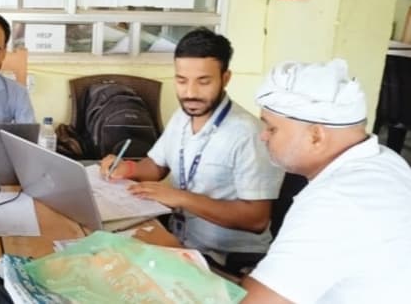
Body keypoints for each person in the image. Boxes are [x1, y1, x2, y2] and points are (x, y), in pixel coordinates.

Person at [99, 28, 283, 271]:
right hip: (182, 242)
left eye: (203, 81)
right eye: (181, 80)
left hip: (228, 260)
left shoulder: (248, 134)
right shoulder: (182, 117)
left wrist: (182, 198)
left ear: (225, 78)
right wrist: (128, 168)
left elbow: (256, 219)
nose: (190, 93)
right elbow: (156, 165)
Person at [242, 59, 411, 303]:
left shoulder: (335, 201)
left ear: (316, 136)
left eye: (272, 129)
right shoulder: (386, 159)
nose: (263, 136)